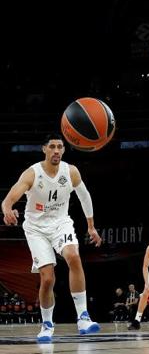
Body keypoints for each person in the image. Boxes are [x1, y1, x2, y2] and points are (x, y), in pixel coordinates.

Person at [1, 133, 101, 342]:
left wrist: (91, 226)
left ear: (64, 150)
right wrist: (7, 209)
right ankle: (47, 324)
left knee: (73, 256)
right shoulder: (32, 174)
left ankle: (83, 317)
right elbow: (9, 197)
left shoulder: (70, 171)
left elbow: (85, 196)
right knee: (47, 278)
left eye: (60, 147)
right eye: (53, 147)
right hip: (36, 228)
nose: (57, 150)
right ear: (44, 149)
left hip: (60, 223)